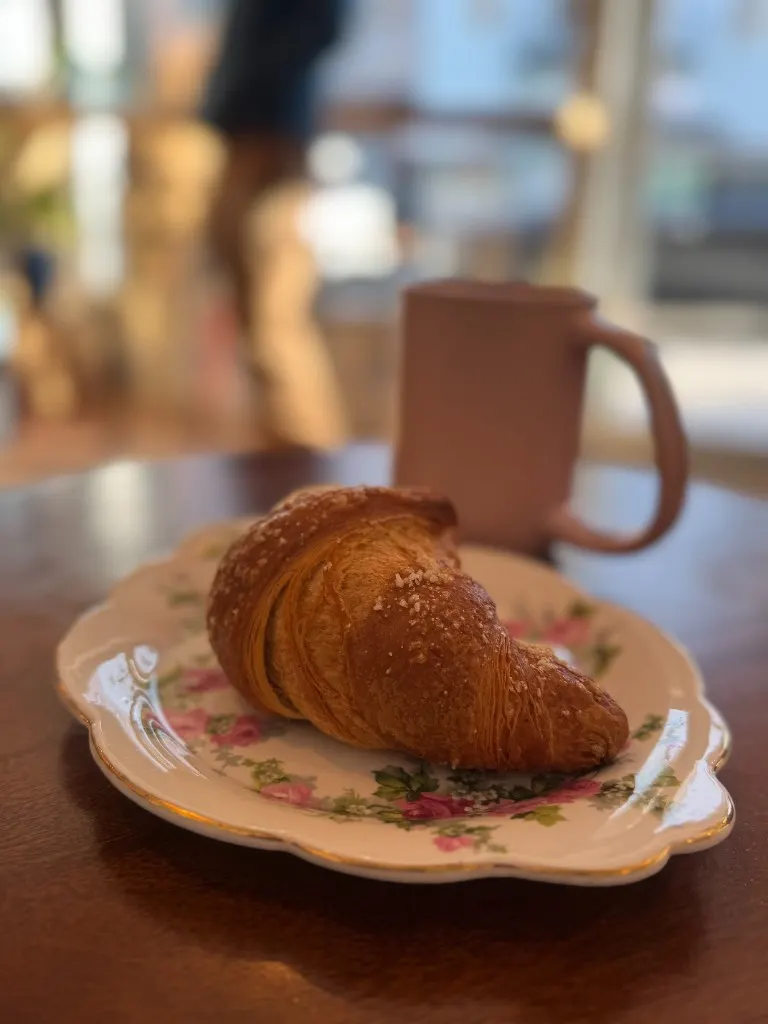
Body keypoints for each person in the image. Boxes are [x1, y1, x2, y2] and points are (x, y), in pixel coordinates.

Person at [202, 0, 348, 448]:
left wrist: (256, 89)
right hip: (247, 135)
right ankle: (281, 454)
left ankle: (310, 458)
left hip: (271, 140)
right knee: (256, 318)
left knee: (276, 320)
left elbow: (323, 24)